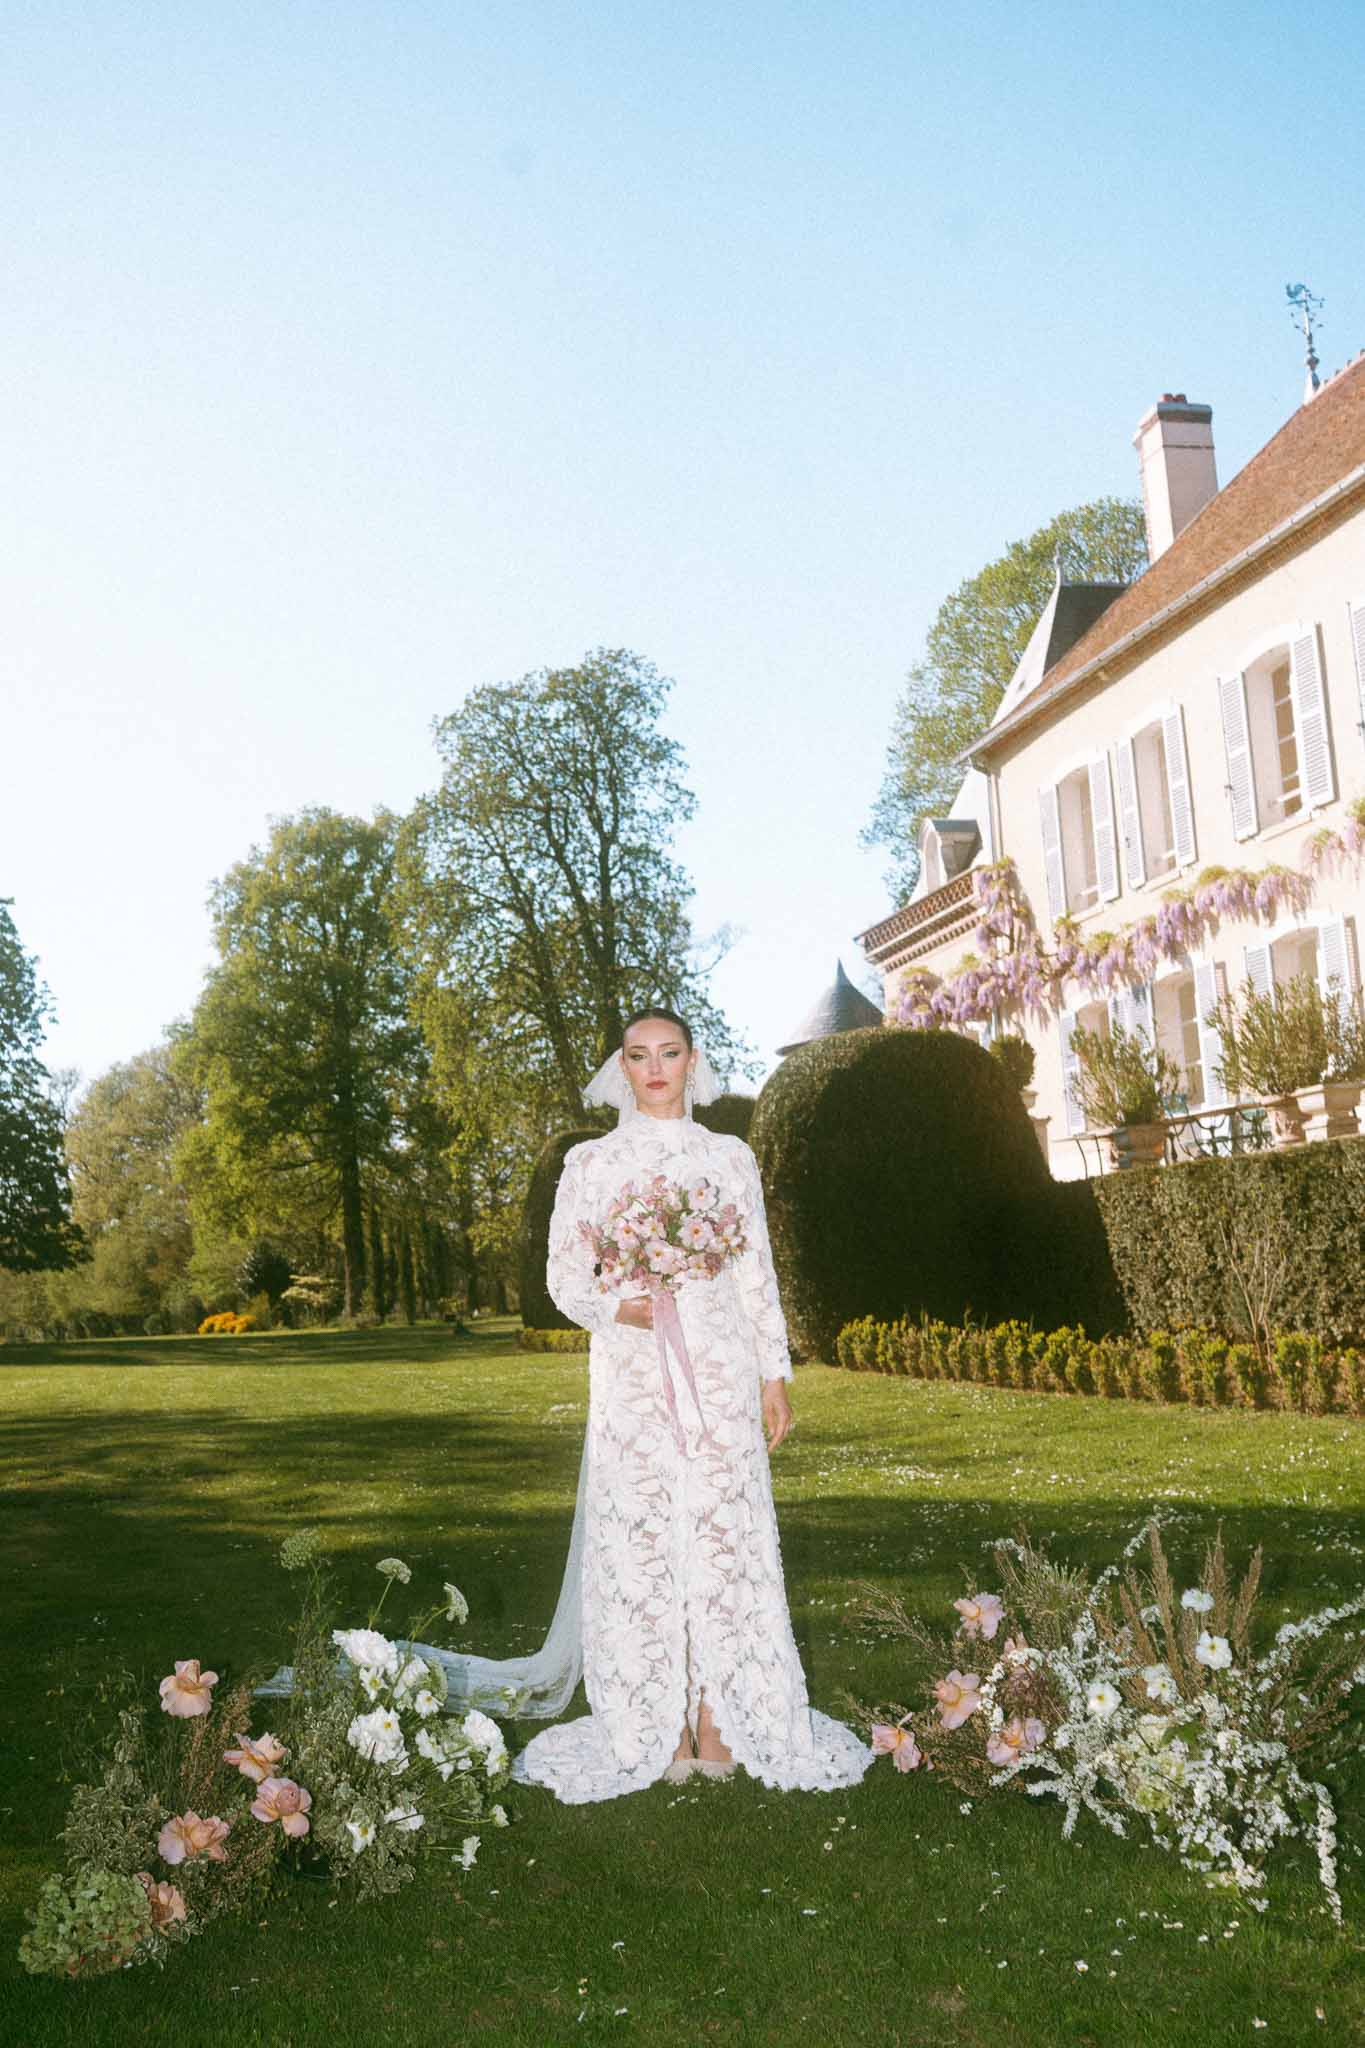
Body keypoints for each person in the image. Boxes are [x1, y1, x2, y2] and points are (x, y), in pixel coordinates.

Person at [496, 1006, 873, 1804]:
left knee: (721, 1532)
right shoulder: (591, 1164)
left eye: (669, 1053)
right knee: (642, 1534)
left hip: (719, 1365)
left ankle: (719, 1716)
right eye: (639, 1056)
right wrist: (617, 1308)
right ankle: (650, 1720)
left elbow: (755, 1273)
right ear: (622, 1069)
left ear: (692, 1063)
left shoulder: (729, 1158)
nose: (656, 1069)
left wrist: (774, 1375)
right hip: (633, 1372)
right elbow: (563, 1278)